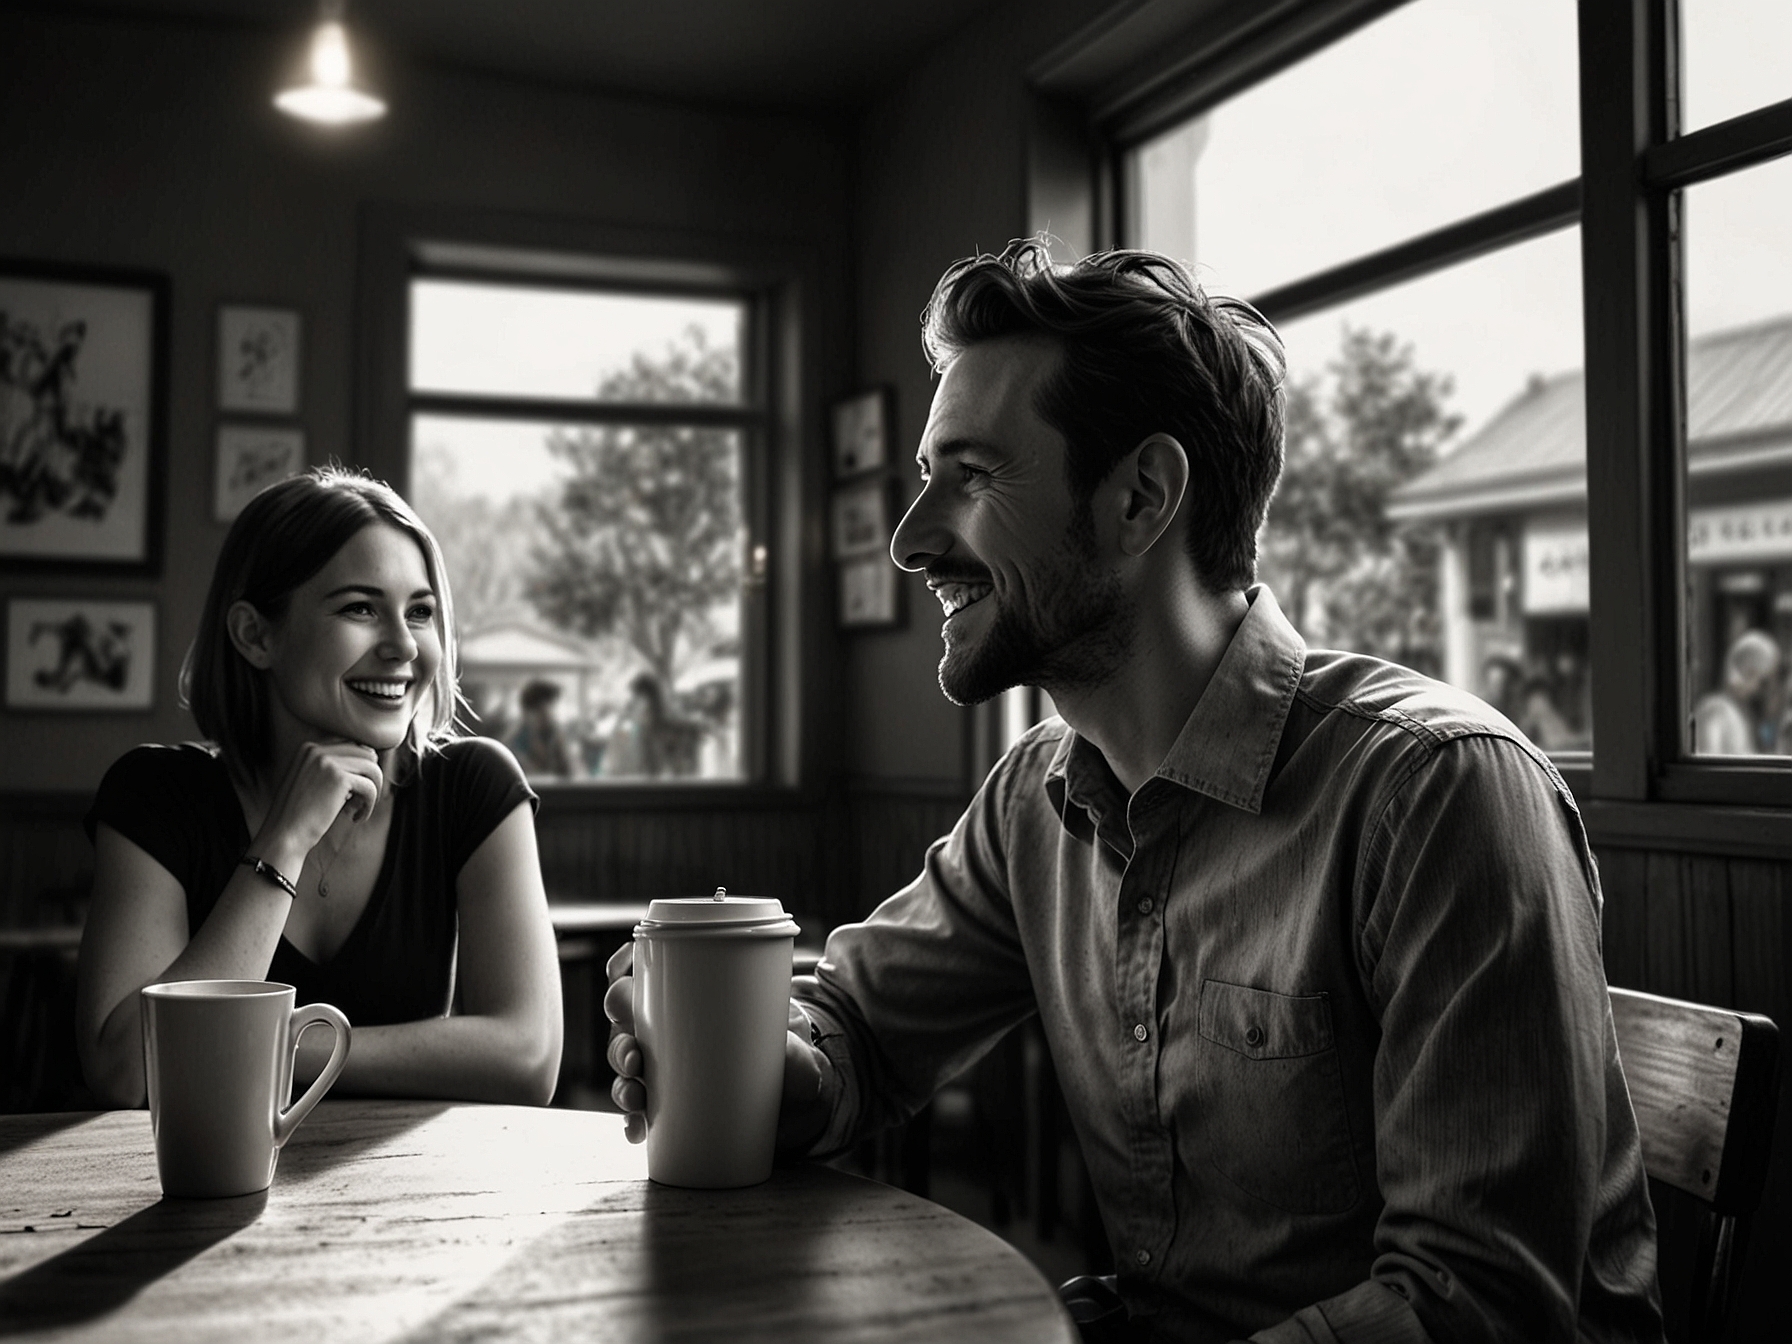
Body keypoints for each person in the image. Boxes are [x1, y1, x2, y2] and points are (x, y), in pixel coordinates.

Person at [605, 242, 1664, 1342]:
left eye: (969, 476)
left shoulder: (1438, 795)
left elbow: (1474, 1309)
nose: (911, 540)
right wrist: (765, 1071)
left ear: (1140, 497)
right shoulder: (1037, 801)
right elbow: (859, 1033)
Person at [76, 467, 563, 1109]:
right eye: (360, 608)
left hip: (413, 1195)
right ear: (256, 635)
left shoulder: (473, 786)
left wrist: (262, 1048)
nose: (403, 647)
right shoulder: (156, 794)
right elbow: (125, 1073)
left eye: (419, 612)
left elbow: (527, 1059)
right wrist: (285, 840)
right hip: (194, 1191)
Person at [1692, 627, 1779, 755]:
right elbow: (1709, 760)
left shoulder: (1743, 713)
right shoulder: (1715, 709)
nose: (1758, 690)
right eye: (1761, 681)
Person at [508, 677, 576, 778]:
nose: (550, 714)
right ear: (528, 712)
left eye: (553, 707)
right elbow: (532, 776)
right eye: (542, 710)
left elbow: (569, 772)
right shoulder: (516, 741)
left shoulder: (554, 735)